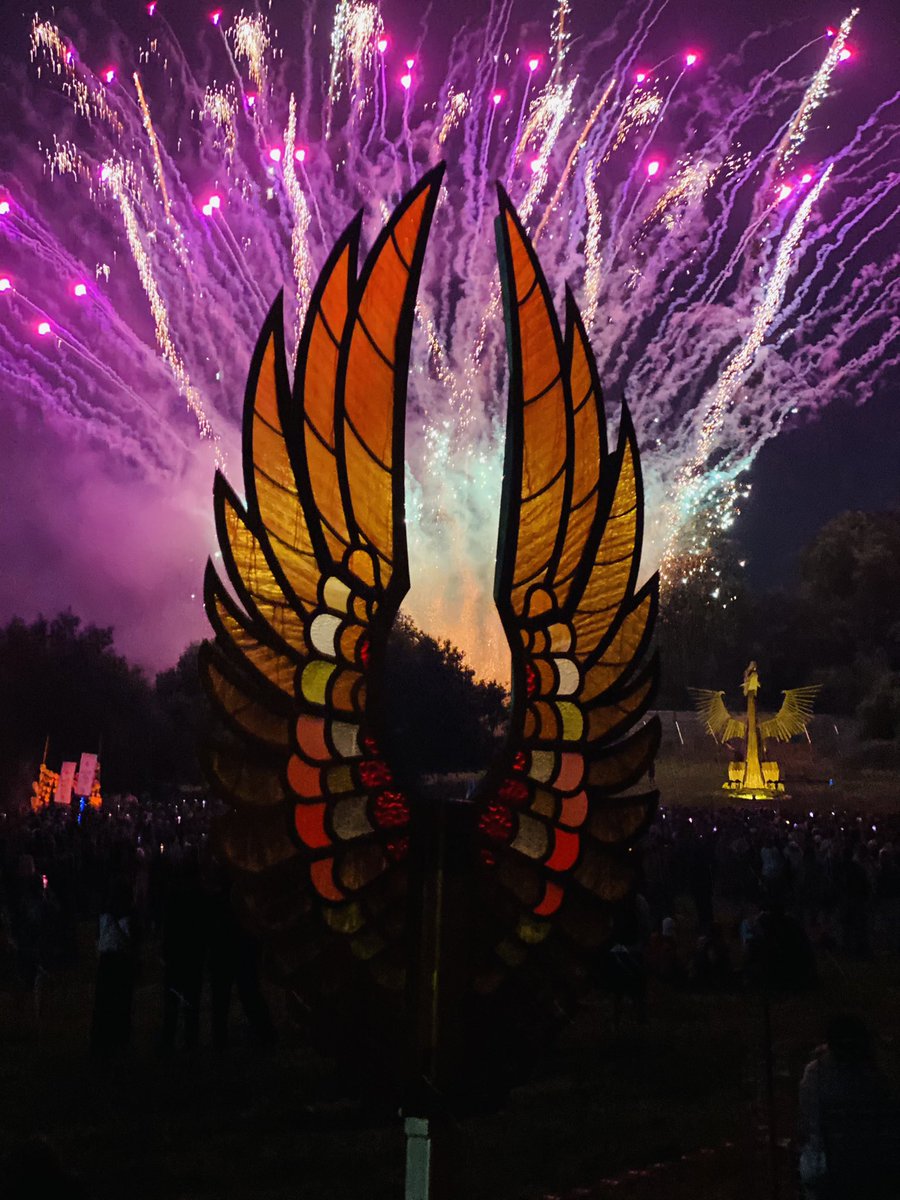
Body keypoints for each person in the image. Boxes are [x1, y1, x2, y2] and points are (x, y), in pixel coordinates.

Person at [798, 1014, 897, 1199]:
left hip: (861, 1165)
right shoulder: (818, 1074)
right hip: (848, 1166)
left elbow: (810, 1123)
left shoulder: (817, 1074)